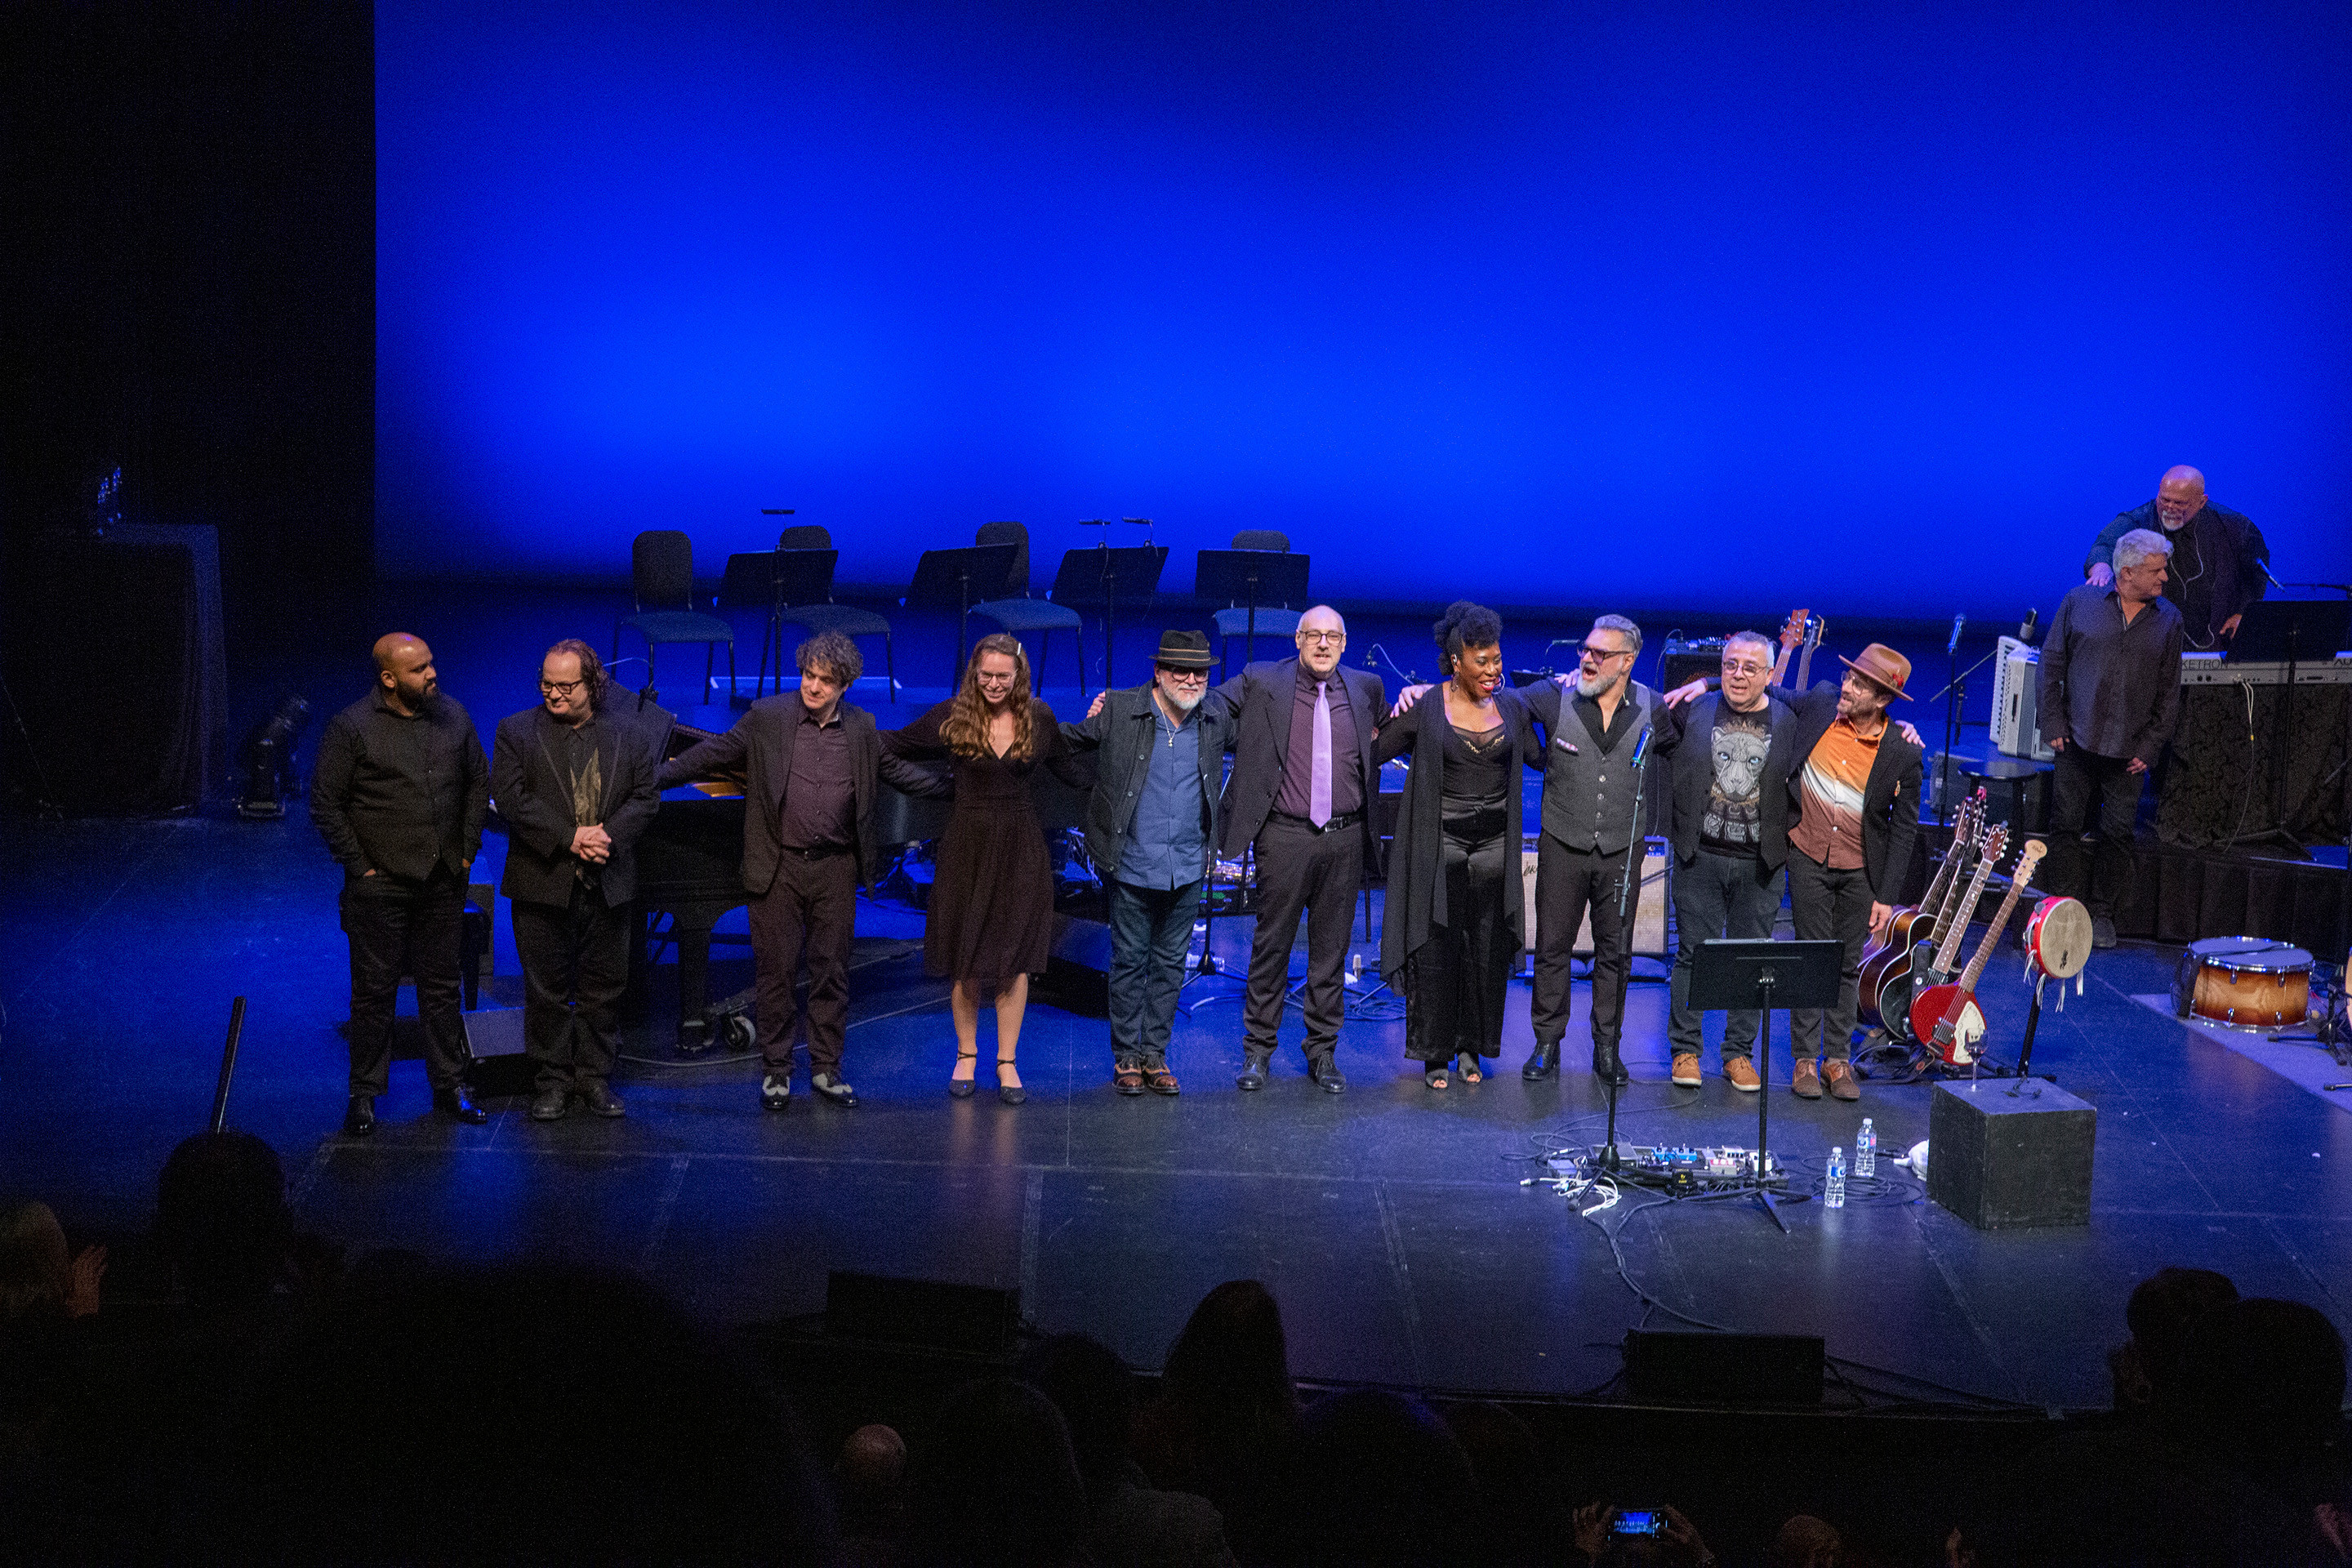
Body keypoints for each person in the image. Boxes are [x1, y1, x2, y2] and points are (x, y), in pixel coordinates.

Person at [662, 630, 932, 1111]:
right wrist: (655, 777)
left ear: (844, 686)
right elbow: (714, 753)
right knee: (776, 973)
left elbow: (898, 772)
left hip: (835, 867)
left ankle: (827, 1069)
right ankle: (776, 1072)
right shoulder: (768, 717)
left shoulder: (862, 727)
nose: (813, 686)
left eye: (825, 680)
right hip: (779, 865)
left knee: (831, 972)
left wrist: (957, 789)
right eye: (808, 675)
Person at [884, 634, 1084, 1104]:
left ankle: (1007, 1061)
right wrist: (931, 786)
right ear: (974, 673)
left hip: (1020, 847)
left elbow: (1073, 771)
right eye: (986, 675)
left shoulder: (1039, 717)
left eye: (1003, 676)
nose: (993, 684)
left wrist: (1109, 733)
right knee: (966, 953)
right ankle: (967, 1054)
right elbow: (891, 745)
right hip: (966, 846)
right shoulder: (953, 715)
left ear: (1019, 676)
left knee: (1015, 959)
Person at [310, 633, 489, 1134]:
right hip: (381, 884)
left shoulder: (452, 715)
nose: (432, 674)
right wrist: (361, 865)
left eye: (431, 664)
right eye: (419, 669)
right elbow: (325, 802)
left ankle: (450, 1084)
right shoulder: (352, 727)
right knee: (374, 992)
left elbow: (479, 781)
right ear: (389, 679)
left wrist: (466, 850)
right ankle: (364, 1094)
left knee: (442, 988)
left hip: (442, 879)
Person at [1211, 605, 1385, 1094]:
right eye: (1314, 635)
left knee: (1331, 952)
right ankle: (1258, 1051)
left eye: (1333, 636)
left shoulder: (1366, 687)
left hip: (1345, 838)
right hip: (1285, 835)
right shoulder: (1263, 679)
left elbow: (1390, 728)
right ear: (1298, 639)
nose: (1323, 644)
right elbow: (1210, 703)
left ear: (1344, 644)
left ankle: (1322, 1052)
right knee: (1272, 946)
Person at [1059, 630, 1238, 1097]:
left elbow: (1265, 732)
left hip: (1188, 862)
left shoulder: (1215, 717)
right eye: (1180, 670)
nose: (1191, 680)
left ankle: (1155, 1055)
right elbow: (1067, 743)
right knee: (1129, 961)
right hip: (1132, 861)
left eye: (1200, 672)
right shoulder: (1120, 709)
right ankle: (1126, 1056)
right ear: (1158, 672)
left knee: (1170, 964)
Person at [491, 639, 661, 1122]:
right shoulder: (516, 731)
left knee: (603, 988)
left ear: (593, 685)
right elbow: (511, 798)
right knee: (545, 990)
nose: (554, 694)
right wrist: (570, 838)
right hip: (542, 881)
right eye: (547, 684)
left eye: (566, 686)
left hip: (608, 881)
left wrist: (607, 836)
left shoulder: (630, 733)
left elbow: (645, 798)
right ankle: (552, 1080)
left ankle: (593, 1077)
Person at [1375, 603, 1542, 1090]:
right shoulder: (1428, 706)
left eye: (1497, 659)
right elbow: (1375, 747)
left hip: (1494, 848)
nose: (1493, 670)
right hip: (1440, 846)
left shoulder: (1511, 707)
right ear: (1456, 662)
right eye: (1481, 661)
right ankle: (1434, 1054)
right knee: (1435, 951)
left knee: (1485, 952)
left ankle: (1471, 1048)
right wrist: (1389, 707)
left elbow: (1539, 756)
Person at [1762, 644, 1923, 1101]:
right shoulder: (1821, 704)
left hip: (1860, 869)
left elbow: (1904, 830)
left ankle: (1837, 1060)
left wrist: (1886, 896)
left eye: (1859, 684)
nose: (1847, 688)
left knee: (1847, 965)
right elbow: (1768, 689)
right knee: (1810, 958)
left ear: (1883, 699)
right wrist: (1706, 683)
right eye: (1849, 678)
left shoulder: (1902, 752)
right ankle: (1804, 1059)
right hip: (1808, 855)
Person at [1519, 615, 1674, 1085]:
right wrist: (1538, 757)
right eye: (1585, 650)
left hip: (1621, 849)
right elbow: (1503, 706)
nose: (1587, 658)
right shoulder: (1555, 695)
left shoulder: (1653, 706)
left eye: (1600, 653)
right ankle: (1547, 1042)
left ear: (1627, 661)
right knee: (1552, 947)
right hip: (1562, 842)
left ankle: (1607, 1046)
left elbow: (1679, 750)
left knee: (1616, 952)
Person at [2038, 528, 2185, 948]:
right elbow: (2051, 665)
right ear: (2128, 572)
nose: (2165, 578)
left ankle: (2102, 912)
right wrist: (2053, 724)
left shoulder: (2169, 619)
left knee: (2118, 834)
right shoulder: (2078, 603)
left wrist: (2151, 747)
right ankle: (2063, 909)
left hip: (2130, 750)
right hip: (2076, 739)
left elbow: (2169, 691)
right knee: (2066, 826)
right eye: (2157, 571)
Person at [1657, 631, 1791, 1091]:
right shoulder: (1695, 710)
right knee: (1692, 954)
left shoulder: (1788, 719)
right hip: (1701, 856)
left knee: (1752, 959)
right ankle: (1685, 1050)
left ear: (1769, 675)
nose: (1737, 674)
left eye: (1750, 668)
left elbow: (1830, 698)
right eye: (1730, 665)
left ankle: (1738, 1053)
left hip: (1760, 862)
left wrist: (1904, 729)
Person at [2085, 466, 2270, 650]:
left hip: (2217, 639)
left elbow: (2256, 573)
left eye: (2180, 503)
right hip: (2154, 640)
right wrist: (2101, 567)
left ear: (2202, 501)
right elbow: (2104, 545)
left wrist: (2244, 613)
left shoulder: (2234, 527)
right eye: (2164, 500)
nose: (2170, 508)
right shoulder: (2140, 520)